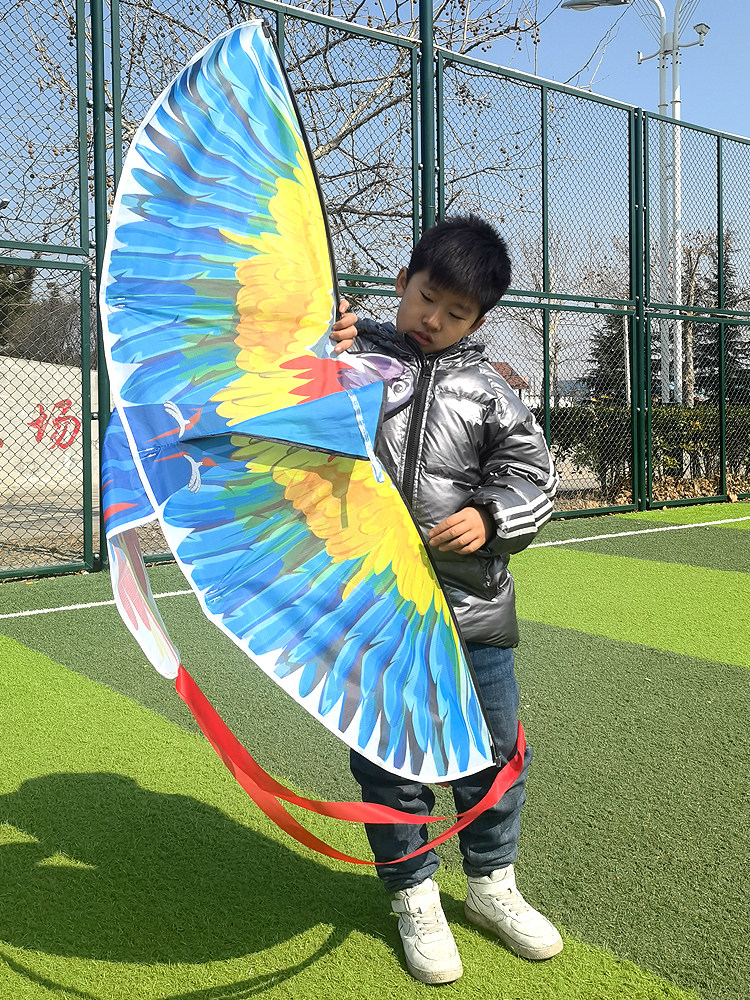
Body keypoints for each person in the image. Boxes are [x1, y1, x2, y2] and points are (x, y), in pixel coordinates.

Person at [329, 215, 561, 986]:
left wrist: (492, 516)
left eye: (456, 313)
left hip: (474, 615)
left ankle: (492, 884)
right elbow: (290, 417)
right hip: (377, 611)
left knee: (493, 755)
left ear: (478, 322)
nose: (434, 319)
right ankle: (415, 895)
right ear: (403, 283)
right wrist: (323, 351)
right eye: (427, 298)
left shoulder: (493, 394)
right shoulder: (352, 364)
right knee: (389, 760)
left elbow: (538, 481)